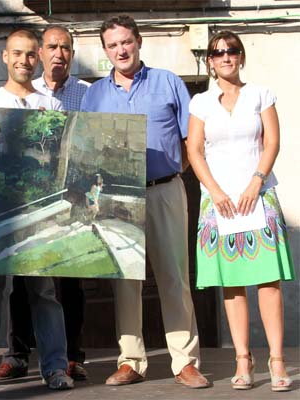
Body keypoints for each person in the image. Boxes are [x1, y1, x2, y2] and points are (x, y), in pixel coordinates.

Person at [80, 15, 210, 388]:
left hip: (166, 189)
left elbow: (191, 141)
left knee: (174, 276)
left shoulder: (168, 82)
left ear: (138, 43)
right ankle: (131, 360)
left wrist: (170, 172)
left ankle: (185, 361)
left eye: (126, 42)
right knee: (125, 280)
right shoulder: (95, 95)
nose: (121, 50)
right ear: (105, 51)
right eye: (113, 45)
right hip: (116, 195)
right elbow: (88, 147)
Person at [0, 28, 73, 392]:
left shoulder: (52, 105)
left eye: (29, 54)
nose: (23, 60)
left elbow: (57, 160)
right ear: (5, 57)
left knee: (44, 294)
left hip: (36, 212)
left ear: (36, 58)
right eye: (16, 54)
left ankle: (55, 367)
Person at [187, 31, 295, 392]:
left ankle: (277, 359)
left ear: (241, 57)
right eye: (218, 52)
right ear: (210, 61)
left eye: (232, 51)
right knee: (231, 284)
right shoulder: (200, 103)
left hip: (257, 197)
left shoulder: (260, 94)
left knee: (268, 281)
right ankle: (242, 360)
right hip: (219, 203)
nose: (225, 56)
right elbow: (195, 151)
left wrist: (256, 182)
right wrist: (215, 192)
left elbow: (273, 140)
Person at [0, 25, 90, 383]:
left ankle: (72, 356)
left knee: (69, 282)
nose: (58, 53)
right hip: (19, 205)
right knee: (22, 283)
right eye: (52, 46)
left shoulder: (87, 94)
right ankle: (17, 354)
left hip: (65, 196)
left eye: (65, 47)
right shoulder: (15, 95)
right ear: (40, 52)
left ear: (72, 53)